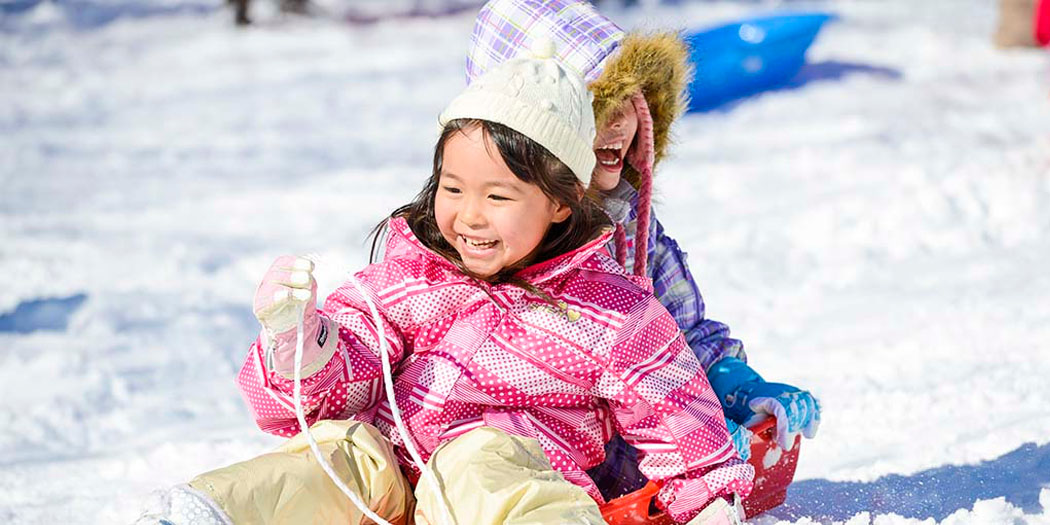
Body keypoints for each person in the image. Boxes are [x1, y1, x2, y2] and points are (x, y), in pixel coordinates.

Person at [136, 41, 753, 525]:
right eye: (453, 190)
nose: (469, 215)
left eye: (498, 196)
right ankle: (204, 517)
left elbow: (676, 413)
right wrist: (301, 342)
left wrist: (705, 502)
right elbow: (324, 394)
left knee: (482, 457)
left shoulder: (611, 313)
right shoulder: (408, 278)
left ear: (562, 203)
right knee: (340, 446)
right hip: (386, 496)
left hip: (506, 492)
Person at [466, 0, 821, 500]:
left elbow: (681, 334)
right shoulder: (482, 238)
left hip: (636, 464)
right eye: (594, 106)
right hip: (513, 476)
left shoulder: (631, 224)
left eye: (631, 99)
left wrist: (732, 386)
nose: (618, 123)